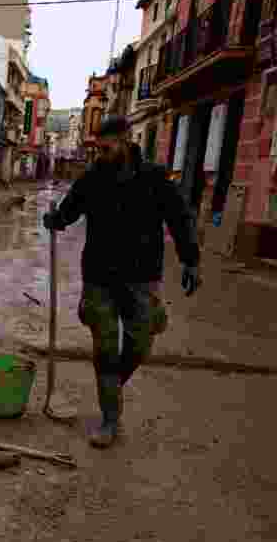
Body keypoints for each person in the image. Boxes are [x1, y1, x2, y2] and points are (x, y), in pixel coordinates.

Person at [42, 116, 201, 448]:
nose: (101, 154)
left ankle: (111, 384)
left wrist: (190, 259)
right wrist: (54, 220)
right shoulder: (92, 179)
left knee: (140, 345)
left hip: (142, 279)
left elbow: (180, 217)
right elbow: (69, 212)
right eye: (98, 148)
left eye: (107, 147)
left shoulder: (155, 178)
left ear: (126, 140)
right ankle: (110, 419)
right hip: (99, 277)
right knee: (105, 349)